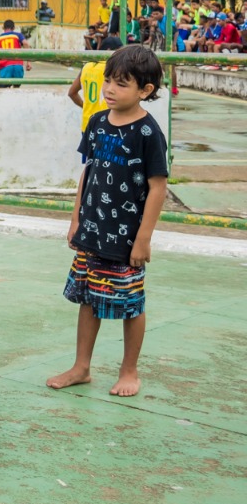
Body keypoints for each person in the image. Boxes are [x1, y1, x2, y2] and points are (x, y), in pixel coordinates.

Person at [47, 45, 167, 398]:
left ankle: (129, 370)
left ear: (145, 90)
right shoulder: (98, 121)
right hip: (92, 230)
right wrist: (76, 219)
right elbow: (89, 172)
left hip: (126, 237)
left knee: (131, 303)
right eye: (109, 81)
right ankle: (81, 367)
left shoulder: (148, 133)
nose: (111, 89)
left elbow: (157, 187)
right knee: (88, 298)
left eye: (122, 84)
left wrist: (143, 239)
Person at [0, 20, 28, 88]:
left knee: (2, 90)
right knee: (16, 88)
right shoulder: (17, 35)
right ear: (13, 28)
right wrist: (28, 62)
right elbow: (25, 43)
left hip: (5, 66)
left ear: (3, 28)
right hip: (18, 65)